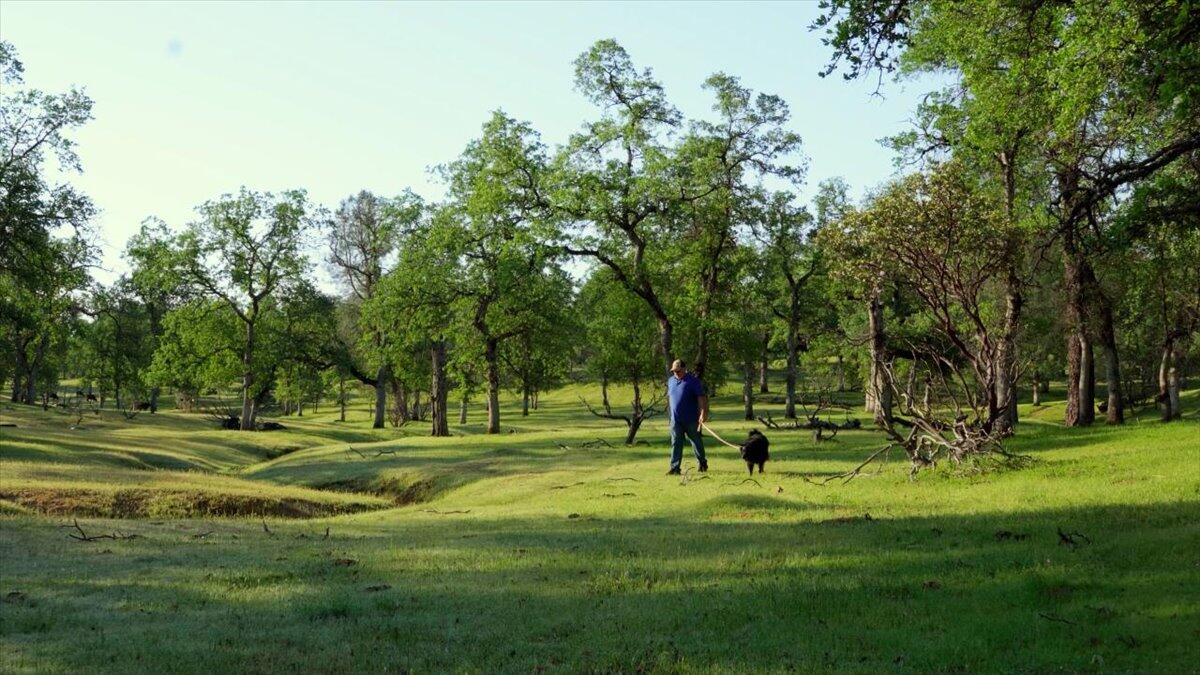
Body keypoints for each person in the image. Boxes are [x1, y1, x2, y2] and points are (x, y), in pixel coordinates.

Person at [666, 359, 708, 475]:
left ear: (684, 369)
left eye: (678, 371)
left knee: (696, 441)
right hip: (676, 420)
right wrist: (670, 416)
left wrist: (702, 413)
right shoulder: (670, 381)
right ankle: (675, 468)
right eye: (674, 371)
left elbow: (701, 398)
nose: (676, 373)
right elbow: (670, 398)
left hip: (691, 419)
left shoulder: (693, 381)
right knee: (676, 442)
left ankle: (702, 463)